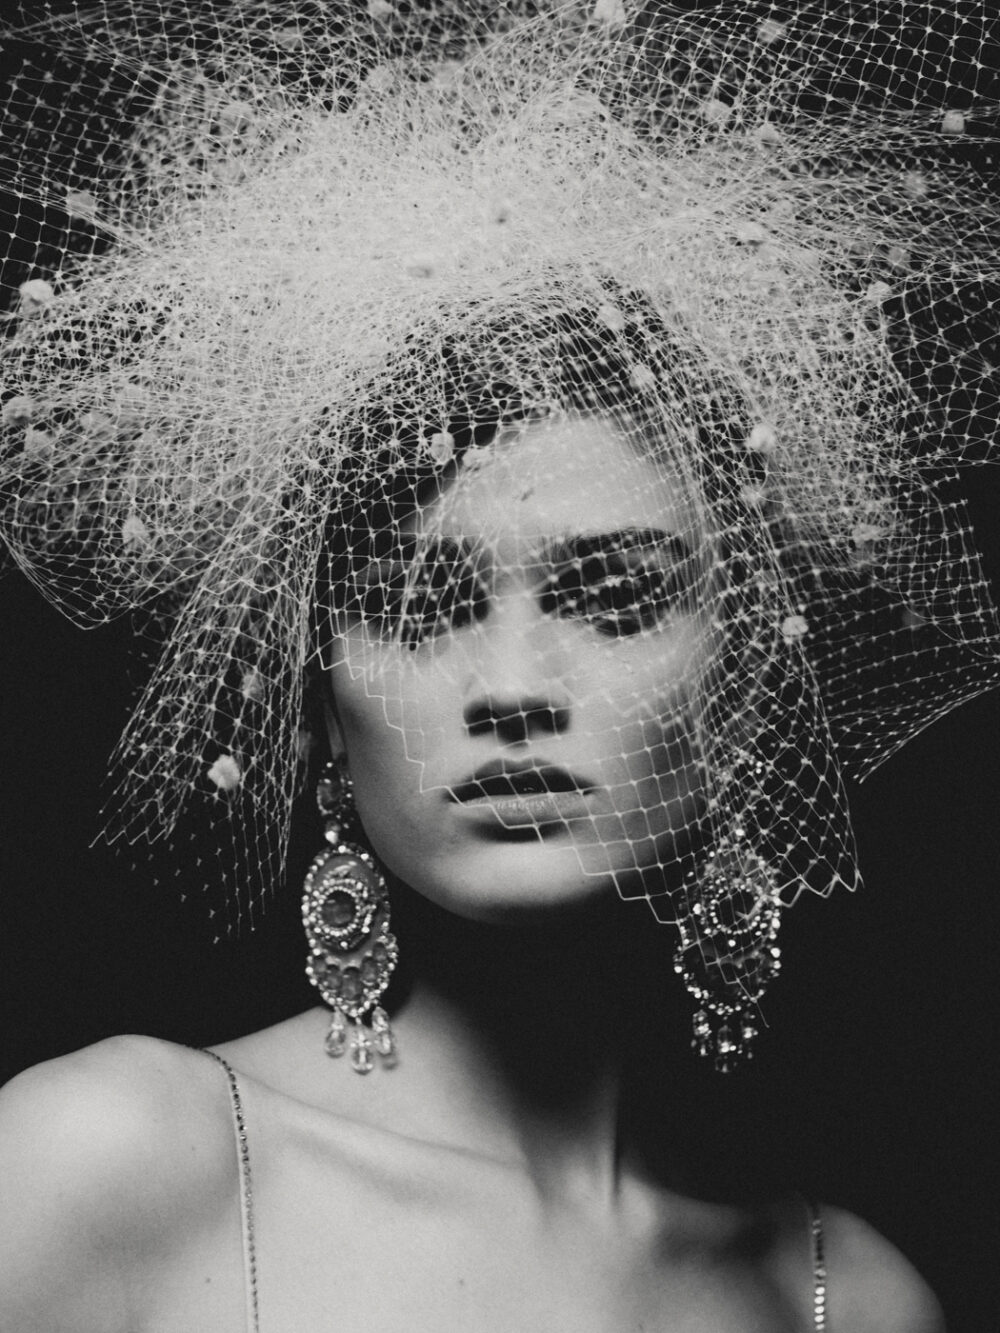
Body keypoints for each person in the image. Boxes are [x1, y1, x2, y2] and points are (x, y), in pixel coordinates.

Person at [0, 1, 996, 1328]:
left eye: (615, 596)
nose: (513, 684)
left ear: (749, 679)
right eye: (420, 607)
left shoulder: (847, 1297)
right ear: (318, 703)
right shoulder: (108, 1166)